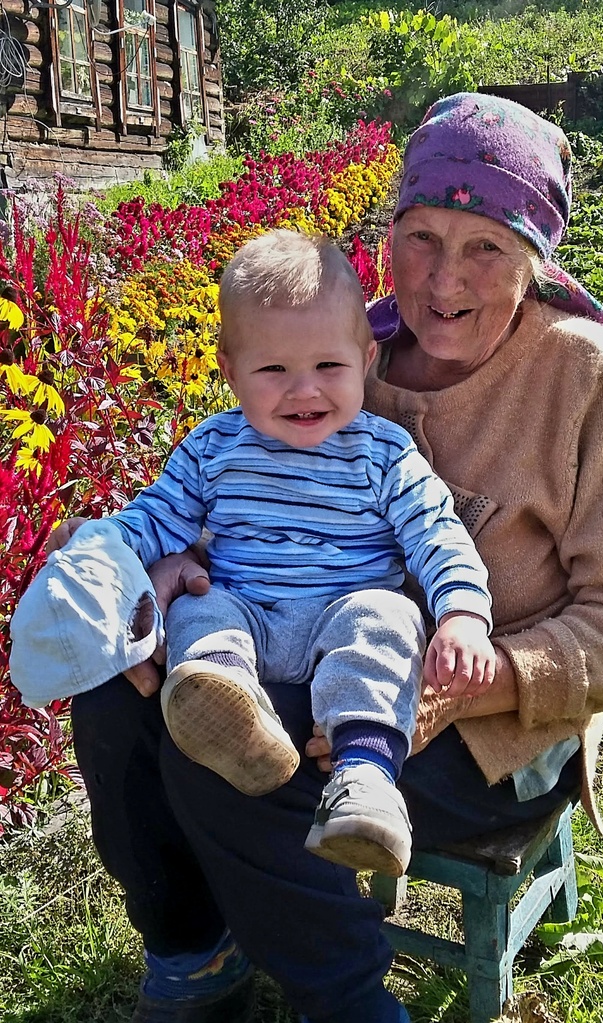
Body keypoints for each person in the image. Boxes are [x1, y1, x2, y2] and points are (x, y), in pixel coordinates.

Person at [60, 92, 603, 1023]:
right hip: (311, 664)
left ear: (533, 257)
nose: (443, 281)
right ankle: (191, 967)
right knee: (117, 696)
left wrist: (489, 670)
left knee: (236, 773)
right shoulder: (349, 342)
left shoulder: (589, 382)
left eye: (485, 248)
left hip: (486, 721)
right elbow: (241, 480)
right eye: (420, 241)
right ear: (381, 233)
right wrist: (170, 561)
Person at [42, 229, 495, 879]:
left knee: (388, 619)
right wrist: (100, 544)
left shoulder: (385, 455)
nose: (303, 391)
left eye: (328, 368)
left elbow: (438, 537)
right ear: (230, 372)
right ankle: (223, 705)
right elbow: (158, 518)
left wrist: (462, 616)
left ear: (366, 358)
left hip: (341, 619)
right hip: (247, 615)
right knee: (201, 604)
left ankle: (364, 782)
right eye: (274, 370)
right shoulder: (213, 448)